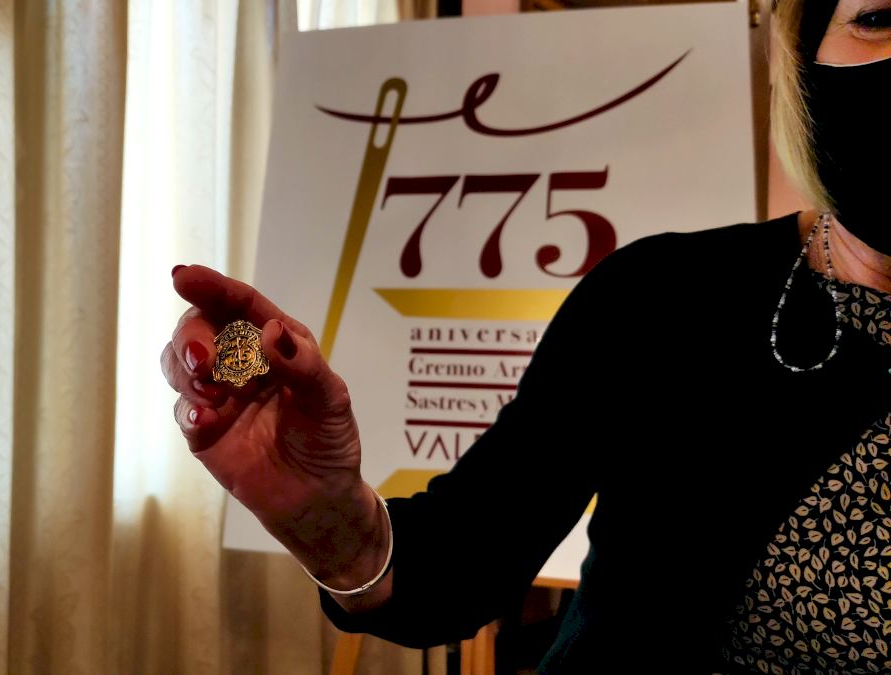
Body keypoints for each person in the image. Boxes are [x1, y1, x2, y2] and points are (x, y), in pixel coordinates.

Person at [161, 1, 891, 671]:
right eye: (880, 16)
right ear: (804, 59)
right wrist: (338, 525)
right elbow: (464, 560)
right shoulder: (660, 296)